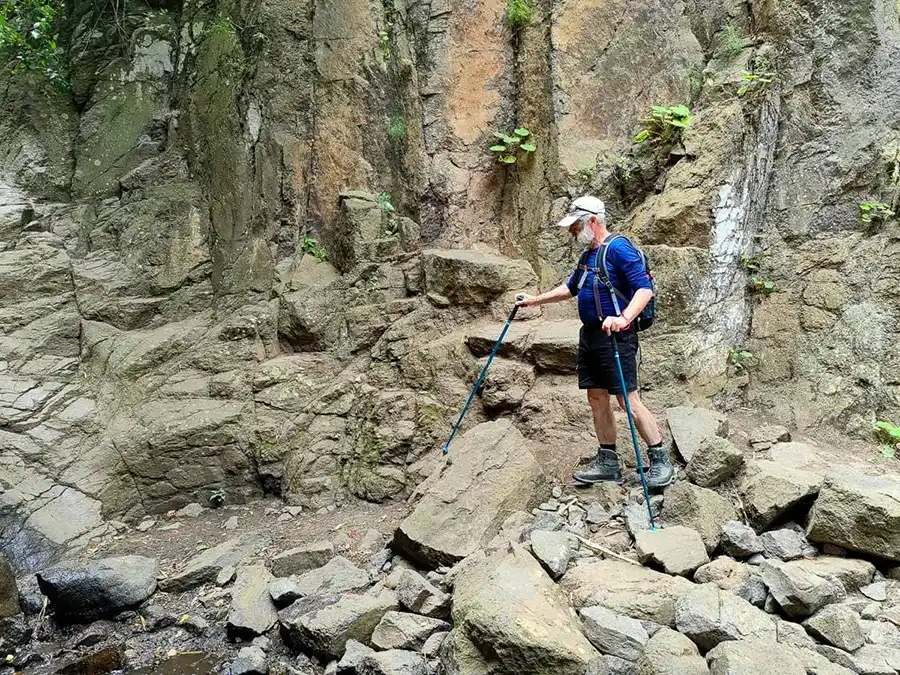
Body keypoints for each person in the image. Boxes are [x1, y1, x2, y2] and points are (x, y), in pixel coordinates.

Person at [516, 195, 674, 487]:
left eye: (575, 225)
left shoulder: (619, 249)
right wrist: (535, 301)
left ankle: (660, 458)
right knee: (596, 397)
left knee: (628, 401)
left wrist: (624, 318)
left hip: (616, 336)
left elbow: (644, 290)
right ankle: (608, 462)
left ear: (592, 221)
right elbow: (570, 287)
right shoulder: (589, 253)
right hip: (590, 334)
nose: (571, 231)